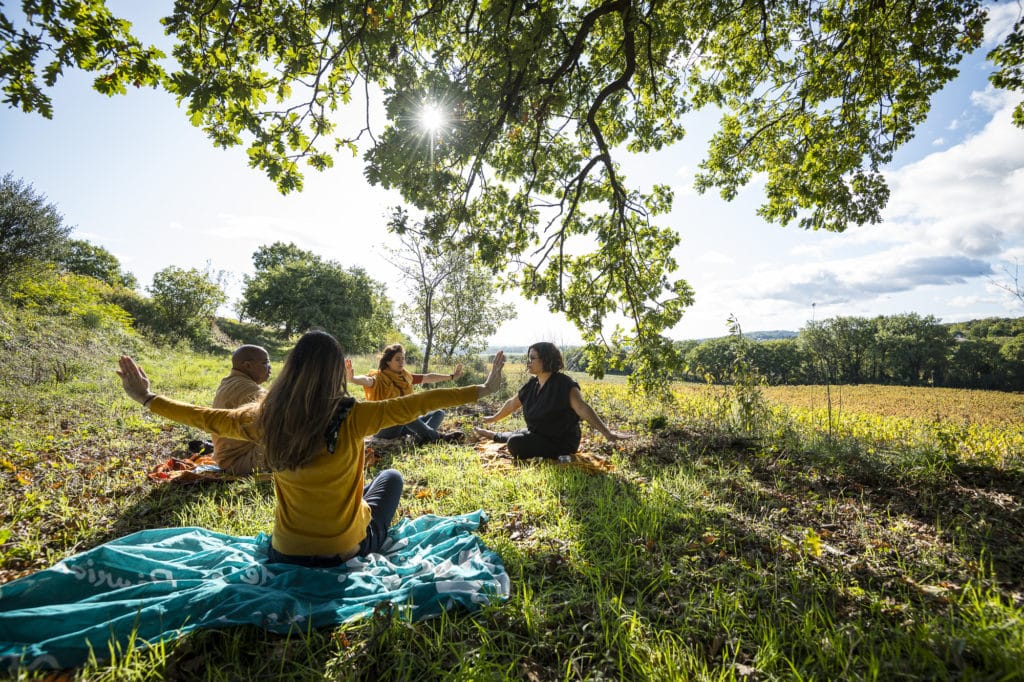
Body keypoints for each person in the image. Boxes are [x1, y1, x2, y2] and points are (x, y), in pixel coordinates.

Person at [117, 330, 506, 567]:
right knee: (390, 477)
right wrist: (482, 389)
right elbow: (417, 404)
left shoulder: (265, 418)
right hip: (346, 551)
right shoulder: (353, 416)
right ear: (337, 372)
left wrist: (148, 398)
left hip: (283, 552)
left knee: (370, 485)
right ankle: (364, 535)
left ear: (291, 368)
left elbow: (204, 417)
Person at [473, 341, 630, 459]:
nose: (528, 362)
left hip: (561, 441)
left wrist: (607, 433)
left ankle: (495, 436)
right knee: (520, 433)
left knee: (515, 442)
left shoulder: (565, 384)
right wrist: (493, 418)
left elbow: (583, 408)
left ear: (545, 360)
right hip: (539, 434)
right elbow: (512, 403)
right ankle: (492, 434)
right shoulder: (533, 384)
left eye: (532, 358)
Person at [347, 343, 466, 444]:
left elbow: (427, 377)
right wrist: (353, 379)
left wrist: (451, 377)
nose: (401, 362)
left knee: (439, 412)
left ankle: (421, 439)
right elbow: (367, 380)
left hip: (406, 423)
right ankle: (438, 438)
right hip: (384, 428)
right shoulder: (379, 378)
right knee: (403, 411)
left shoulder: (405, 376)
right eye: (397, 359)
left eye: (403, 358)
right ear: (388, 362)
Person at [210, 344, 271, 474]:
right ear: (248, 366)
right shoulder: (249, 389)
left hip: (227, 459)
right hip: (239, 462)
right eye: (265, 363)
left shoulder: (229, 382)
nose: (269, 368)